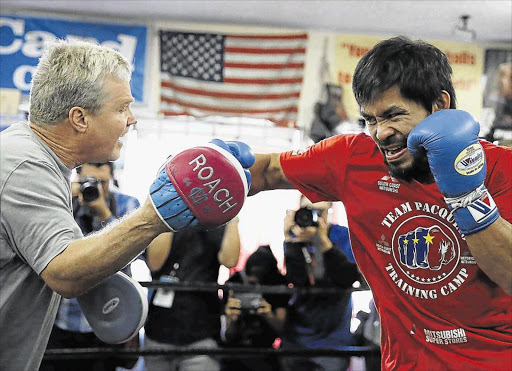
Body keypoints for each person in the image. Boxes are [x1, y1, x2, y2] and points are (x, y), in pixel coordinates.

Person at [247, 36, 512, 370]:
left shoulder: (503, 169)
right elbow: (268, 171)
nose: (380, 133)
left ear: (439, 106)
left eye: (393, 115)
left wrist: (467, 195)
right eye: (370, 119)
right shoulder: (354, 159)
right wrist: (206, 173)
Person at [0, 39, 253, 371]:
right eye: (121, 107)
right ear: (79, 118)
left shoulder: (42, 160)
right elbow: (65, 273)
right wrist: (153, 216)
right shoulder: (24, 164)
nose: (131, 119)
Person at [40, 162, 140, 371]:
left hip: (107, 314)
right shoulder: (65, 203)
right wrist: (67, 198)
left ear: (112, 179)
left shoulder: (127, 205)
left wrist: (104, 214)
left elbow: (129, 256)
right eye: (88, 182)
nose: (95, 188)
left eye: (102, 182)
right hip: (61, 317)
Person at [143, 218, 241, 371]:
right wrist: (169, 213)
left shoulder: (215, 220)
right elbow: (155, 263)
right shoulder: (168, 217)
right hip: (159, 330)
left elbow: (230, 260)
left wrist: (232, 216)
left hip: (201, 331)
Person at [280, 196, 360, 371]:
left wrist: (324, 244)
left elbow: (347, 278)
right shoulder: (296, 237)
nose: (313, 217)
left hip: (334, 340)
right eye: (308, 210)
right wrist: (289, 240)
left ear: (330, 212)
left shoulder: (343, 236)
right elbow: (297, 281)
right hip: (297, 339)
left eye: (319, 212)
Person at [222, 244, 289, 371]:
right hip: (235, 351)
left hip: (264, 349)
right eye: (249, 282)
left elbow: (282, 329)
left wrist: (268, 314)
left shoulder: (277, 286)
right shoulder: (234, 283)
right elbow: (227, 335)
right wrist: (232, 319)